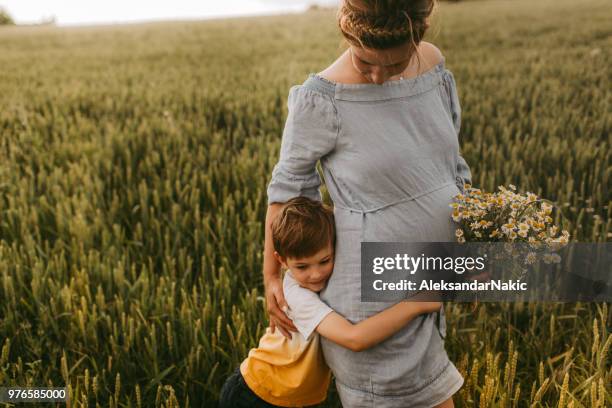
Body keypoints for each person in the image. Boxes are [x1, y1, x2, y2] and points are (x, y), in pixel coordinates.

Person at [263, 1, 473, 406]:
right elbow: (287, 192)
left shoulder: (433, 68)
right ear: (348, 36)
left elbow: (450, 164)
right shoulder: (321, 98)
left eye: (394, 66)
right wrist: (273, 277)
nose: (378, 77)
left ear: (418, 39)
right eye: (365, 62)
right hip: (368, 304)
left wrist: (470, 248)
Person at [220, 196, 442, 407]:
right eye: (302, 266)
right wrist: (415, 304)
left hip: (286, 395)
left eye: (324, 261)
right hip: (257, 393)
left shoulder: (323, 279)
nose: (315, 274)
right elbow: (353, 338)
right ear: (282, 261)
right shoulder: (298, 297)